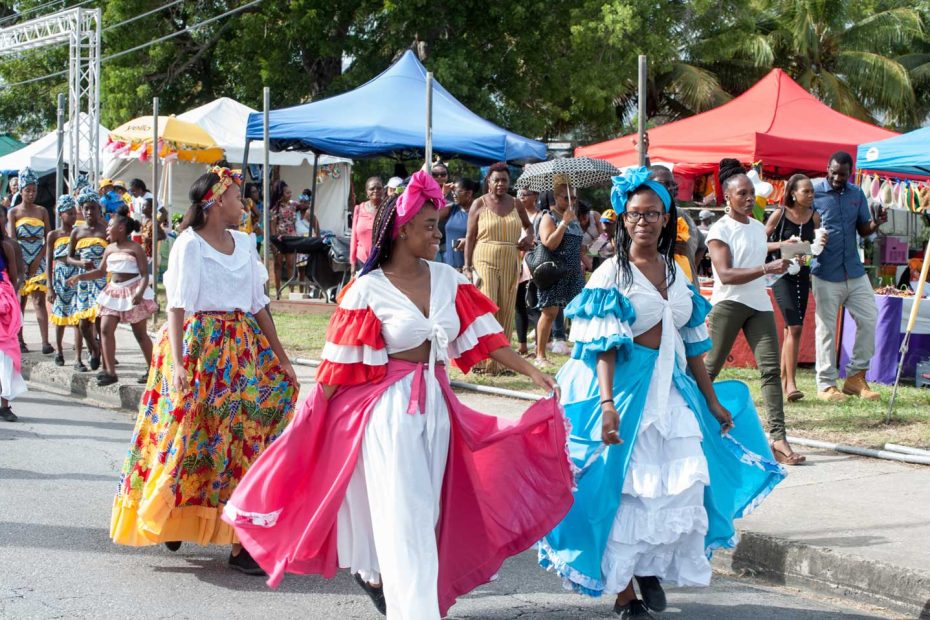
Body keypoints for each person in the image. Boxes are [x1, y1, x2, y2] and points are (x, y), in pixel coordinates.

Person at [223, 170, 573, 619]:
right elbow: (337, 369)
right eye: (429, 226)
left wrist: (533, 372)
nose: (439, 233)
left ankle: (390, 588)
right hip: (389, 417)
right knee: (406, 519)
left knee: (426, 519)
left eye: (439, 224)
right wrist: (310, 417)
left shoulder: (449, 279)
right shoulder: (366, 291)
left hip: (438, 412)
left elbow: (487, 339)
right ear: (402, 230)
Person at [539, 167, 785, 619]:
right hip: (622, 394)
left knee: (675, 488)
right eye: (635, 215)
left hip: (671, 392)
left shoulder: (676, 272)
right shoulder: (611, 274)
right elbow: (602, 348)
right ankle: (623, 592)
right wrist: (608, 406)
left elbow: (693, 345)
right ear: (622, 220)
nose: (644, 222)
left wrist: (711, 400)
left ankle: (646, 568)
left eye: (653, 214)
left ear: (666, 218)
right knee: (619, 490)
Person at [110, 167, 298, 574]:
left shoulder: (246, 243)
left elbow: (258, 303)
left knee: (244, 432)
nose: (242, 204)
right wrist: (178, 364)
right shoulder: (189, 245)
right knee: (189, 430)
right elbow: (177, 306)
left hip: (242, 348)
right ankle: (173, 511)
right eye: (235, 197)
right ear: (214, 202)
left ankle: (239, 541)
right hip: (198, 346)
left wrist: (281, 358)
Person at [703, 160, 805, 465]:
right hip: (730, 302)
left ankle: (779, 440)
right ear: (727, 198)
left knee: (771, 371)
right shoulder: (718, 230)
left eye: (751, 194)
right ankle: (688, 422)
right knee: (709, 369)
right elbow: (726, 273)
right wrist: (767, 267)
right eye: (742, 194)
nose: (749, 199)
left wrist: (783, 249)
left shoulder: (758, 227)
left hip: (759, 302)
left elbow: (758, 247)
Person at [812, 151, 884, 401]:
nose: (837, 178)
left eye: (842, 174)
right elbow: (798, 221)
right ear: (827, 168)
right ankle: (826, 385)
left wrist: (876, 224)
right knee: (826, 329)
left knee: (869, 318)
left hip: (854, 270)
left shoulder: (856, 194)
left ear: (849, 174)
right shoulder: (813, 192)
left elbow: (863, 229)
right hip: (824, 271)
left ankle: (855, 378)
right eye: (833, 172)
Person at [68, 207, 157, 386]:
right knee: (106, 329)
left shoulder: (135, 248)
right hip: (114, 291)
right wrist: (80, 277)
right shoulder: (108, 248)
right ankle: (110, 371)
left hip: (132, 291)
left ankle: (154, 370)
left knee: (140, 334)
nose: (107, 229)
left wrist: (139, 292)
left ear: (121, 228)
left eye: (110, 226)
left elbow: (144, 274)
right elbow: (101, 271)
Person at [463, 162, 534, 373]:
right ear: (489, 182)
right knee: (488, 306)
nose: (501, 184)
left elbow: (528, 226)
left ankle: (502, 364)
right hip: (484, 257)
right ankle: (482, 360)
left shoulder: (515, 203)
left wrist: (528, 237)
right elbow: (470, 236)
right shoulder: (479, 203)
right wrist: (467, 266)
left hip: (510, 258)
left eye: (504, 180)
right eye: (497, 180)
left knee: (506, 308)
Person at [766, 174, 824, 402]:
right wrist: (783, 245)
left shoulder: (815, 217)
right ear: (793, 193)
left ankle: (784, 380)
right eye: (806, 191)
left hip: (802, 275)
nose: (810, 195)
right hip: (780, 276)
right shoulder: (780, 215)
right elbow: (760, 242)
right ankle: (791, 383)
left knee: (791, 330)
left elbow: (813, 250)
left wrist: (818, 246)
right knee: (796, 327)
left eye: (812, 191)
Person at [534, 174, 585, 369]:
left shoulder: (574, 218)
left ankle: (580, 349)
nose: (570, 200)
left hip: (573, 272)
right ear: (555, 197)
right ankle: (540, 354)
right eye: (565, 197)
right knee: (550, 312)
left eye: (573, 197)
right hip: (554, 270)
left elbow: (576, 245)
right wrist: (563, 223)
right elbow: (550, 243)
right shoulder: (549, 217)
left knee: (581, 310)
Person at [7, 167, 52, 355]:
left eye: (34, 190)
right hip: (20, 258)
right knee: (21, 300)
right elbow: (12, 239)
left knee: (39, 300)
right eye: (28, 190)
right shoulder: (14, 212)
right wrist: (20, 263)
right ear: (21, 191)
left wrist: (39, 259)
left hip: (39, 257)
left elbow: (48, 239)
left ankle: (45, 342)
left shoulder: (42, 211)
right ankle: (19, 339)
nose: (31, 194)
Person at [67, 188, 108, 372]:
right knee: (84, 324)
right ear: (81, 211)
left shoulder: (106, 229)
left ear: (99, 209)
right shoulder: (77, 232)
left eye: (93, 208)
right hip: (83, 282)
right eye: (86, 208)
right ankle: (94, 348)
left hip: (101, 280)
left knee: (100, 322)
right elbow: (68, 257)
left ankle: (104, 360)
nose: (90, 212)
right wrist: (79, 262)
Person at [46, 195, 85, 369]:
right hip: (60, 277)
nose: (73, 217)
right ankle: (59, 351)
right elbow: (48, 262)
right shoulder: (53, 235)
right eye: (69, 213)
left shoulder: (79, 232)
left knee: (78, 318)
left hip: (76, 276)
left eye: (74, 213)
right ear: (61, 214)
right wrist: (49, 286)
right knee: (60, 318)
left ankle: (78, 357)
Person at [649, 166, 703, 286]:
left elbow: (702, 246)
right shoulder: (646, 218)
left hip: (687, 290)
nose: (671, 188)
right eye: (665, 184)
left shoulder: (681, 214)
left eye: (673, 184)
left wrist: (689, 265)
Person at [0, 215, 25, 422]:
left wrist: (8, 299)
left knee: (5, 356)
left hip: (4, 305)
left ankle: (5, 405)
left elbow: (15, 276)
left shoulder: (6, 246)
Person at [516, 187, 540, 357]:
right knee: (518, 306)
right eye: (520, 195)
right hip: (516, 263)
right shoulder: (514, 216)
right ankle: (522, 344)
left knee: (535, 305)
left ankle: (539, 345)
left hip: (533, 265)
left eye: (526, 194)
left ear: (536, 196)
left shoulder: (540, 216)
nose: (522, 198)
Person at [350, 176, 383, 274]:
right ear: (367, 192)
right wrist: (352, 263)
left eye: (379, 188)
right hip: (361, 261)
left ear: (383, 190)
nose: (375, 190)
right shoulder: (359, 209)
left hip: (382, 261)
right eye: (372, 188)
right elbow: (353, 238)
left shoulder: (387, 209)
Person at [440, 177, 475, 268]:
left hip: (469, 268)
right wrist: (443, 193)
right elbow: (432, 214)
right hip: (450, 267)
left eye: (457, 192)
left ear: (469, 193)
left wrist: (468, 241)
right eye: (452, 192)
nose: (454, 195)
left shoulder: (479, 212)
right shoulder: (453, 209)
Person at [270, 180, 298, 288]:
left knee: (291, 264)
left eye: (291, 192)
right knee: (278, 264)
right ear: (281, 194)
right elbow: (272, 225)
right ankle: (278, 290)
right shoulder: (275, 208)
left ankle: (291, 290)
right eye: (287, 193)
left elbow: (305, 205)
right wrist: (274, 241)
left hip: (291, 238)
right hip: (279, 238)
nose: (290, 195)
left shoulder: (293, 205)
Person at [578, 201, 604, 272]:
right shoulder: (574, 225)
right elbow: (579, 249)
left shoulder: (595, 215)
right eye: (579, 220)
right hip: (584, 257)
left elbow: (604, 236)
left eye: (584, 218)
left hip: (601, 250)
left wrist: (589, 248)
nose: (582, 222)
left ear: (588, 213)